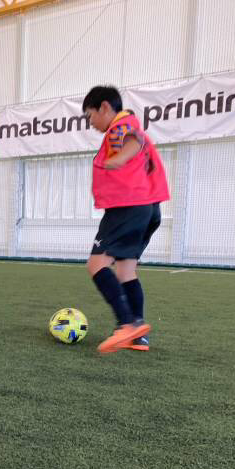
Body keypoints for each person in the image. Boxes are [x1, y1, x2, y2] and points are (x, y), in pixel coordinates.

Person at [82, 86, 170, 353]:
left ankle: (126, 324)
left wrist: (119, 158)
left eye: (90, 116)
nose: (91, 123)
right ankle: (138, 335)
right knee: (125, 270)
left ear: (104, 107)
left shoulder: (120, 126)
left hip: (128, 206)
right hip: (148, 208)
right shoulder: (127, 124)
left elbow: (134, 141)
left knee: (96, 264)